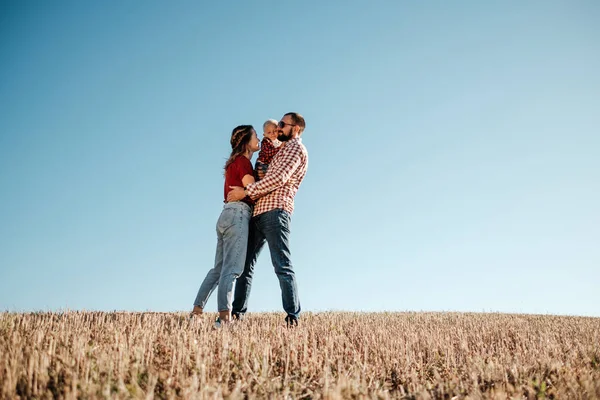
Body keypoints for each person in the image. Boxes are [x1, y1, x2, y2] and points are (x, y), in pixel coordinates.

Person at [227, 112, 308, 327]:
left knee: (281, 264)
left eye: (283, 124)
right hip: (259, 211)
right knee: (245, 266)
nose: (279, 127)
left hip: (275, 211)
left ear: (296, 128)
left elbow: (277, 178)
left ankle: (293, 317)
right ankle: (237, 314)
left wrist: (245, 192)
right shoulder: (279, 148)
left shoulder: (295, 148)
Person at [191, 125, 260, 326]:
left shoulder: (233, 163)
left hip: (225, 215)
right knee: (232, 269)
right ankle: (224, 318)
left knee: (218, 269)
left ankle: (196, 313)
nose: (259, 138)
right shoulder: (244, 163)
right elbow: (251, 190)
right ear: (247, 141)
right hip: (238, 214)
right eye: (255, 135)